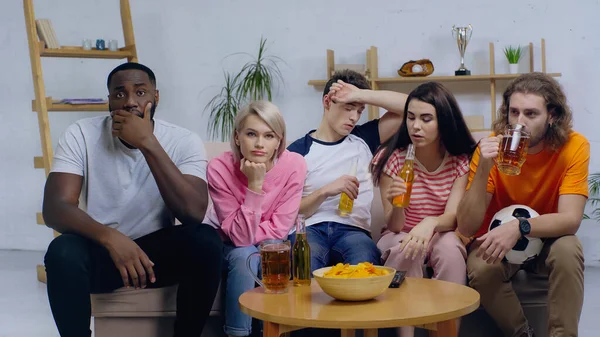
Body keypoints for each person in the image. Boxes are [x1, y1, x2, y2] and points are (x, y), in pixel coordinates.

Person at [42, 62, 223, 337]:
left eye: (140, 93)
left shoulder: (183, 140)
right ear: (109, 101)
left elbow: (192, 213)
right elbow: (55, 208)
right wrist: (111, 238)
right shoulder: (81, 133)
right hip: (103, 251)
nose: (129, 102)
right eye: (119, 94)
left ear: (156, 98)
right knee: (62, 252)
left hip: (154, 256)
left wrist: (148, 143)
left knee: (206, 240)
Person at [456, 72, 589, 337]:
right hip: (499, 239)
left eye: (531, 114)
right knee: (481, 267)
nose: (520, 122)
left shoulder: (574, 146)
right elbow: (467, 224)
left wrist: (521, 226)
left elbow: (570, 220)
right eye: (514, 112)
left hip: (547, 236)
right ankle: (522, 334)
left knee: (568, 249)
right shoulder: (493, 146)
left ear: (552, 116)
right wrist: (483, 167)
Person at [371, 82, 476, 337]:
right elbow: (394, 225)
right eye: (411, 117)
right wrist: (399, 204)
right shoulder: (392, 159)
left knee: (450, 248)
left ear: (444, 122)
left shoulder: (459, 161)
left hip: (439, 232)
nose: (415, 126)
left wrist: (429, 224)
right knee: (408, 249)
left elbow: (453, 218)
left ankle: (447, 332)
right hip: (398, 235)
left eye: (426, 119)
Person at [203, 100, 307, 337]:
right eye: (252, 134)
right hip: (226, 245)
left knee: (274, 251)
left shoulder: (294, 165)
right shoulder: (219, 168)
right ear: (237, 137)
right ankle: (238, 334)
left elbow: (280, 230)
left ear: (279, 140)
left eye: (269, 136)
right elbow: (238, 238)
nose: (260, 144)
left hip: (271, 245)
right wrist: (255, 185)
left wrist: (251, 231)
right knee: (244, 254)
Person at [287, 69, 408, 271]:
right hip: (309, 229)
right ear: (327, 102)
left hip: (353, 231)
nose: (354, 118)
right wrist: (325, 191)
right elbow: (289, 212)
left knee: (363, 264)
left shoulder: (365, 138)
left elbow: (413, 107)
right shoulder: (297, 152)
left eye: (359, 110)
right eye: (348, 107)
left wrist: (360, 95)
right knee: (307, 261)